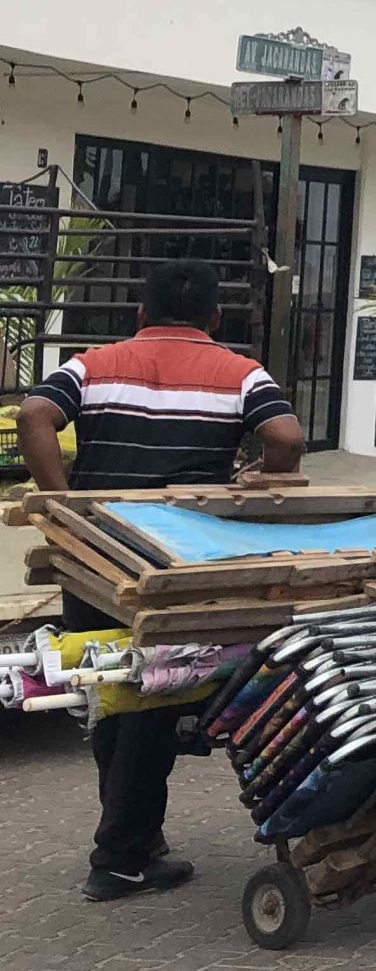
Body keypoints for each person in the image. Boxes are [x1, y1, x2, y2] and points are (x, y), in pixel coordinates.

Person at [15, 259, 304, 903]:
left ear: (140, 314)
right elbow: (285, 438)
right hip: (182, 563)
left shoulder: (93, 364)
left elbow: (34, 415)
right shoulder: (240, 372)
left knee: (107, 686)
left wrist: (66, 509)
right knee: (151, 698)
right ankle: (120, 857)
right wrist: (250, 479)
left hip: (96, 558)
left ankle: (134, 839)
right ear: (214, 318)